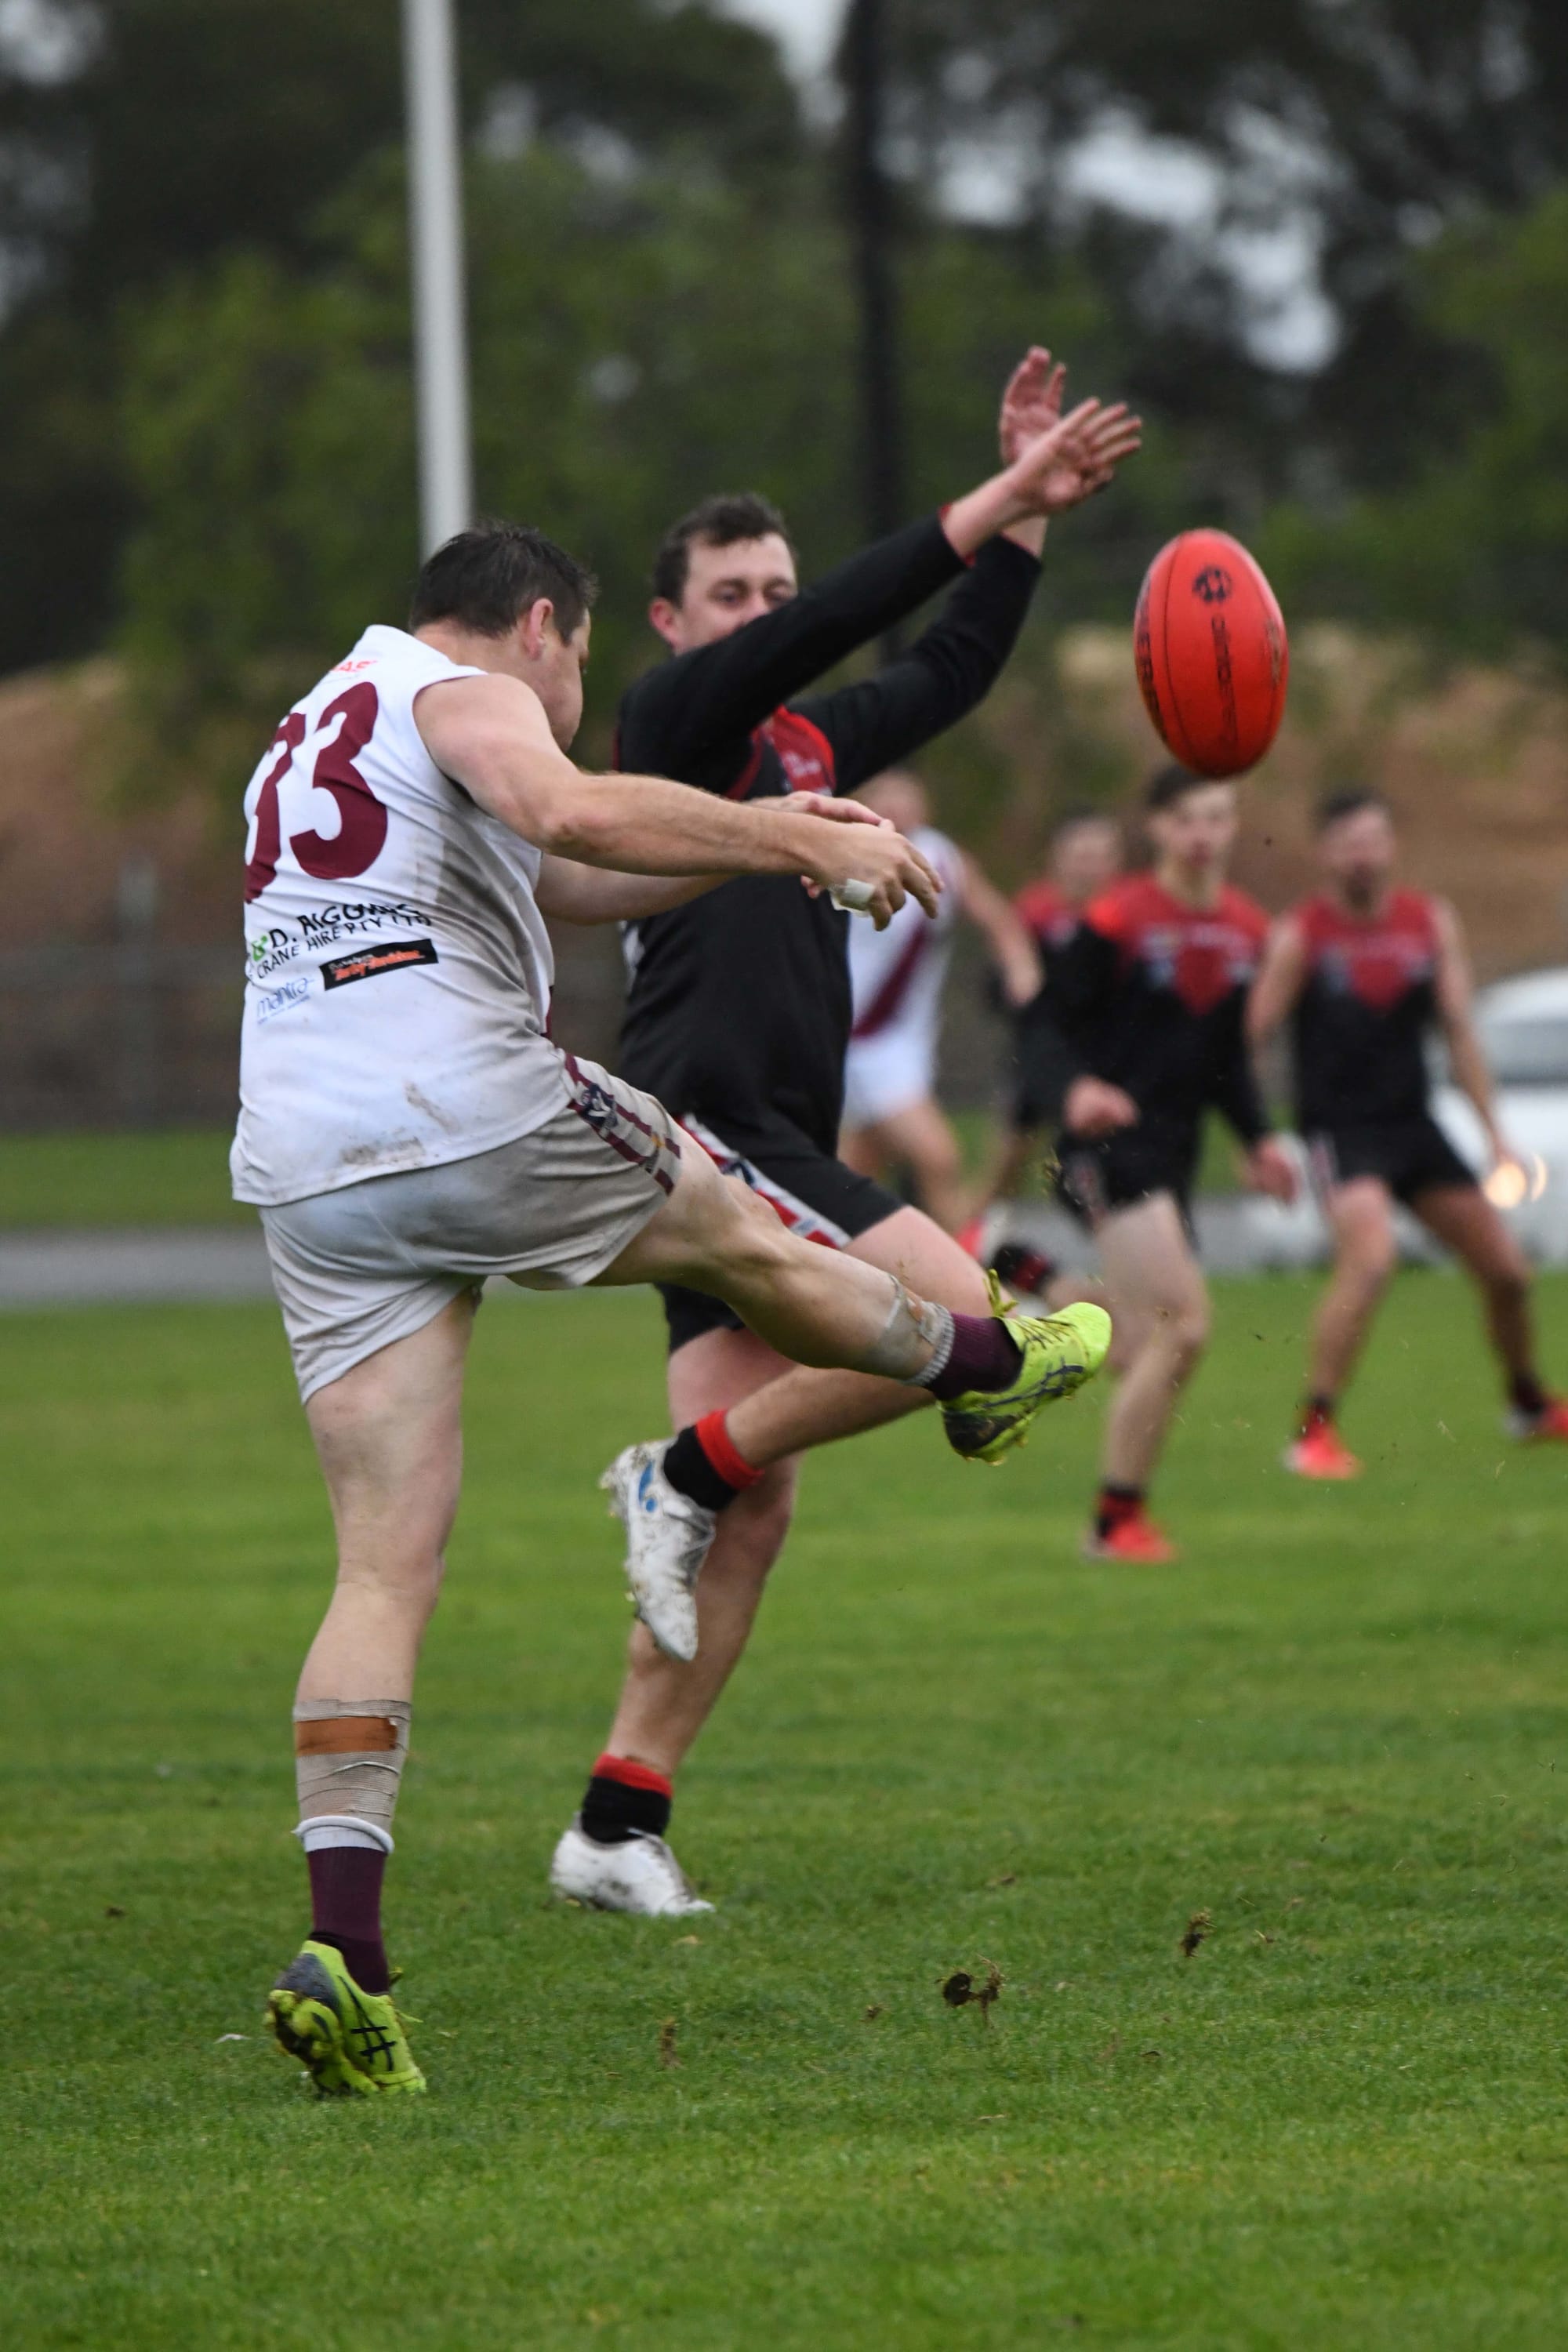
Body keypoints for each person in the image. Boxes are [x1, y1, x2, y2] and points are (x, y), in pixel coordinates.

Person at [239, 493, 1116, 2087]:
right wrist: (791, 833)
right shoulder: (474, 685)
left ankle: (341, 1953)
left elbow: (567, 884)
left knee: (384, 1569)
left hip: (304, 1163)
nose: (563, 704)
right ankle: (982, 1359)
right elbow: (563, 812)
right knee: (755, 1241)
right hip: (460, 1103)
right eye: (567, 669)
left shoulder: (310, 727)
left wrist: (773, 855)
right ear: (549, 631)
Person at [550, 349, 1142, 1915]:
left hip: (762, 1126)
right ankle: (674, 1465)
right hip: (713, 1121)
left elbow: (945, 671)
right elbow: (837, 626)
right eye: (730, 593)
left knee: (753, 1513)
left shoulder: (808, 756)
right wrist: (994, 493)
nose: (762, 614)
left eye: (775, 590)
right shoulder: (672, 725)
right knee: (968, 1322)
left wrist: (1028, 522)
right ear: (673, 622)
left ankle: (615, 1824)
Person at [1247, 786, 1568, 1476]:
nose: (1362, 855)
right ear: (1326, 853)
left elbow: (1458, 1031)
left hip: (1414, 1127)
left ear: (1391, 847)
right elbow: (1253, 1034)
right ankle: (1312, 1433)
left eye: (1373, 840)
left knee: (1508, 1273)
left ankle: (1527, 1404)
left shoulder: (1428, 922)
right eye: (1348, 843)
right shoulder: (1303, 934)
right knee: (1371, 1259)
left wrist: (1495, 1135)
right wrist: (1257, 1137)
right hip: (1341, 1132)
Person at [1047, 764, 1298, 1563]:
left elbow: (1227, 1059)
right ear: (1155, 828)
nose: (1201, 834)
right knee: (1184, 1325)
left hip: (1175, 1155)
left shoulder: (1244, 929)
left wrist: (1257, 1139)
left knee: (1132, 1349)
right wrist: (1074, 1084)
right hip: (1108, 1148)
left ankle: (1025, 1279)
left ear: (1231, 827)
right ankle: (1112, 1522)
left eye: (1217, 818)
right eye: (1185, 819)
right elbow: (1045, 1028)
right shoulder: (1116, 918)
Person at [840, 768, 1042, 1235]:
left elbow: (995, 917)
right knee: (939, 1158)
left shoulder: (943, 857)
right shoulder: (844, 852)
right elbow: (828, 908)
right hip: (857, 1038)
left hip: (903, 1041)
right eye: (884, 798)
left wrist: (1020, 967)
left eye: (906, 797)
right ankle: (970, 1278)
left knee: (856, 1177)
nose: (896, 808)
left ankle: (849, 1278)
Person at [969, 806, 1124, 1287]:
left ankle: (1117, 1256)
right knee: (1006, 1165)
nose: (1089, 866)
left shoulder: (1122, 918)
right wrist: (1015, 987)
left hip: (1099, 1068)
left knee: (1091, 1164)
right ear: (1057, 860)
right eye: (1079, 855)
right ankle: (966, 1247)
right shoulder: (1034, 913)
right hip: (1035, 1063)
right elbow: (999, 986)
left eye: (1100, 856)